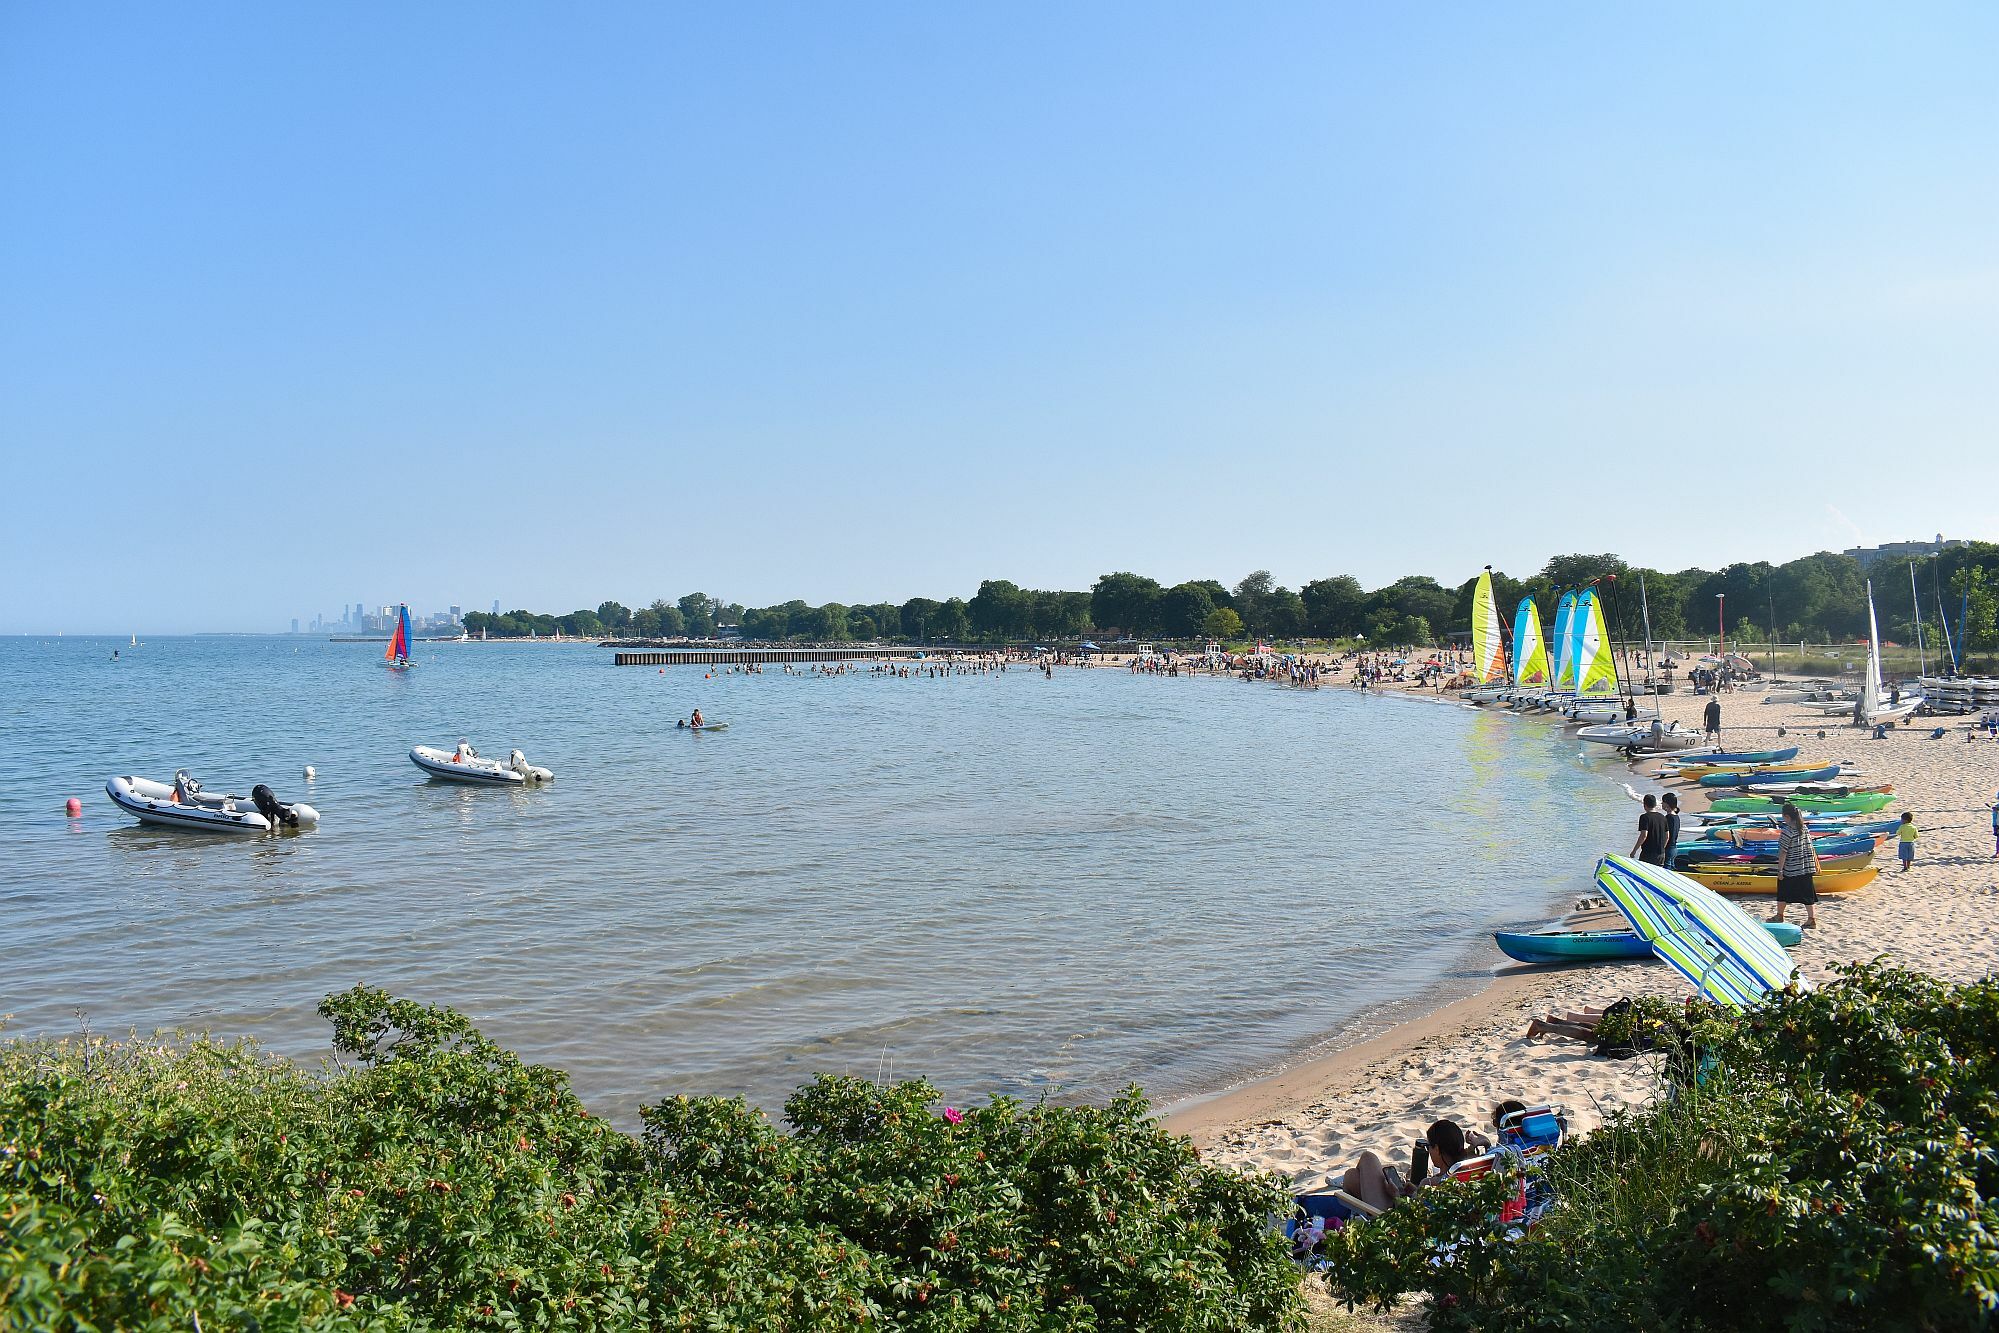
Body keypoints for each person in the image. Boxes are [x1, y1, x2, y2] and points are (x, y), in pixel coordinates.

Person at [1339, 1116, 1491, 1212]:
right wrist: (1414, 1192)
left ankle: (1350, 1211)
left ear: (1437, 1149)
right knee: (1352, 1176)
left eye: (1430, 1147)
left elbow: (1412, 1218)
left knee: (1368, 1158)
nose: (1429, 1151)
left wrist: (1396, 1195)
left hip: (1389, 1220)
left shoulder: (1431, 1184)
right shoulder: (1469, 1170)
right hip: (1417, 1207)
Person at [1769, 802, 1820, 930]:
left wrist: (1780, 870)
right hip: (1806, 866)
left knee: (1783, 891)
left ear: (1787, 816)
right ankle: (1811, 919)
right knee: (1807, 894)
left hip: (1792, 867)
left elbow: (1783, 852)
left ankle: (1779, 915)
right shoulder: (1803, 828)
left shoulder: (1787, 831)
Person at [1632, 793, 1669, 865]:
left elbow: (1643, 836)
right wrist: (1662, 849)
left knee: (1644, 871)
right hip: (1661, 854)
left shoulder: (1644, 817)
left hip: (1648, 854)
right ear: (1655, 804)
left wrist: (1634, 851)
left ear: (1644, 805)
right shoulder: (1663, 817)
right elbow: (1667, 836)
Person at [1660, 792, 1682, 869]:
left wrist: (1662, 849)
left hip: (1668, 848)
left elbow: (1667, 836)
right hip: (1674, 847)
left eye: (1663, 802)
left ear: (1667, 804)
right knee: (1671, 869)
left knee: (1666, 870)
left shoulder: (1668, 817)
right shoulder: (1676, 817)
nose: (1661, 803)